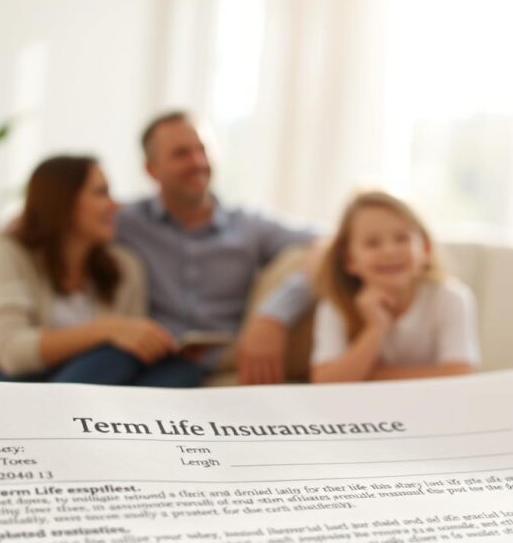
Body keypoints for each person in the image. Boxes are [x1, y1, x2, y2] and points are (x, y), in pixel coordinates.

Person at [116, 111, 317, 386]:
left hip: (202, 364)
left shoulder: (249, 226)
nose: (198, 162)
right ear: (151, 169)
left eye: (203, 150)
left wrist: (273, 315)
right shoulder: (127, 222)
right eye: (181, 153)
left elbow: (330, 244)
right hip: (141, 353)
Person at [0, 155, 198, 386]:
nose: (115, 205)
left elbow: (129, 350)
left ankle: (69, 411)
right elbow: (12, 353)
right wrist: (103, 330)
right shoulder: (8, 252)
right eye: (100, 193)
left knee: (180, 370)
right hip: (11, 379)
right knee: (113, 356)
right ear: (62, 201)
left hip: (90, 374)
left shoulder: (126, 266)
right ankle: (66, 411)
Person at [310, 191, 480, 383]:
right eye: (372, 243)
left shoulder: (450, 298)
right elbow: (324, 380)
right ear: (349, 260)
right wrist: (375, 329)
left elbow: (460, 374)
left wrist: (371, 375)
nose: (389, 251)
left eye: (402, 238)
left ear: (425, 249)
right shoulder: (335, 305)